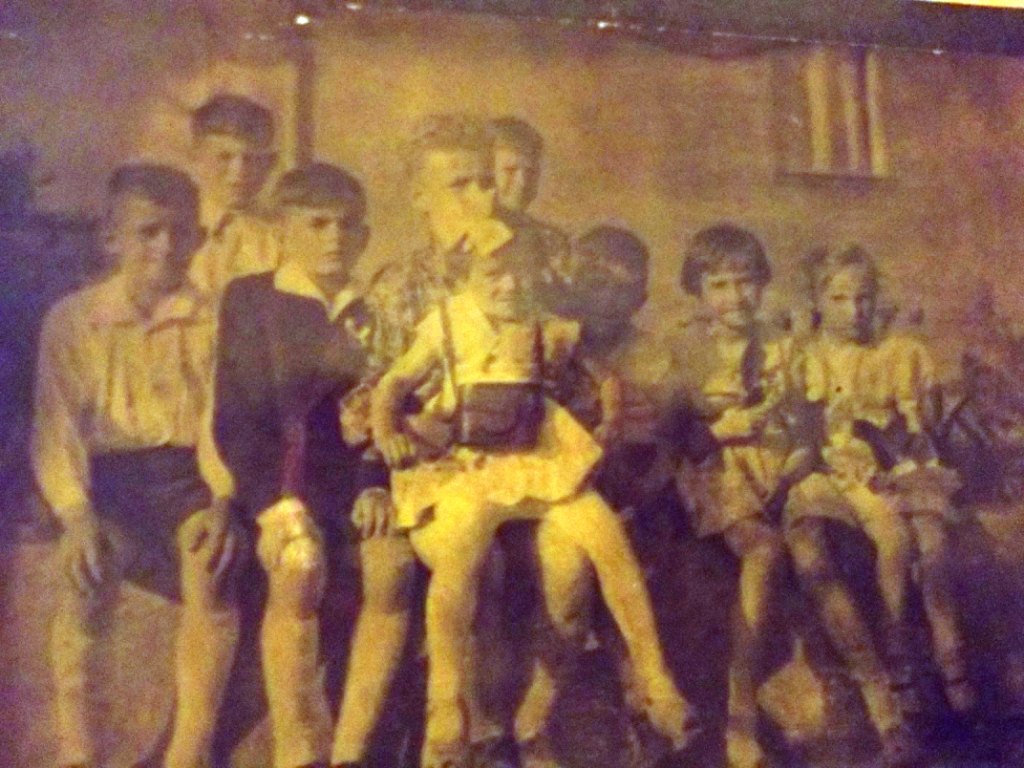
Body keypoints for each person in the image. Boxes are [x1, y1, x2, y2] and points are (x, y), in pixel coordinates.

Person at [370, 243, 695, 768]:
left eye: (519, 274)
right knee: (463, 549)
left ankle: (657, 679)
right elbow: (394, 383)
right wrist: (387, 429)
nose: (509, 287)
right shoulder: (447, 322)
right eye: (494, 275)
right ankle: (446, 701)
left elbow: (605, 379)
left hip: (541, 454)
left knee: (606, 538)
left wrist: (609, 421)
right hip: (472, 460)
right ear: (467, 276)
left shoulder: (548, 326)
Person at [32, 164, 241, 768]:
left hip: (189, 480)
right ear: (111, 238)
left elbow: (220, 422)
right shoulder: (74, 320)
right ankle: (78, 749)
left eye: (181, 232)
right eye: (148, 231)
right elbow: (57, 428)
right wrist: (76, 515)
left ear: (199, 238)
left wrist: (223, 500)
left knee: (212, 569)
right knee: (84, 578)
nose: (166, 247)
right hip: (108, 488)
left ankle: (189, 748)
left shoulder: (214, 319)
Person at [212, 164, 417, 768]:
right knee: (299, 568)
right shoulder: (252, 298)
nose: (334, 239)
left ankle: (351, 749)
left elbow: (384, 409)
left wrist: (376, 482)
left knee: (392, 567)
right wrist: (274, 504)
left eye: (348, 227)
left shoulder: (375, 309)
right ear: (283, 230)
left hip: (354, 482)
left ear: (366, 236)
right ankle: (298, 746)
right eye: (317, 224)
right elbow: (237, 417)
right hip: (281, 481)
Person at [785, 246, 974, 733]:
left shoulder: (898, 352)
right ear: (817, 300)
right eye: (840, 298)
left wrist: (912, 434)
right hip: (851, 469)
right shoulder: (812, 357)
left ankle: (950, 655)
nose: (855, 310)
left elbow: (920, 421)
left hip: (902, 462)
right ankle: (897, 652)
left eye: (864, 297)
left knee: (933, 544)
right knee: (895, 541)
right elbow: (818, 431)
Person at [671, 224, 805, 768]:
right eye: (720, 285)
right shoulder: (685, 348)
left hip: (779, 466)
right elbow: (677, 433)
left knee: (815, 540)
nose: (736, 297)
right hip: (716, 470)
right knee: (763, 550)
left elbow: (805, 421)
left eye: (746, 282)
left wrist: (792, 468)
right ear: (698, 291)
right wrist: (725, 428)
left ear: (763, 282)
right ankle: (740, 714)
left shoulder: (782, 344)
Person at [187, 94, 279, 297]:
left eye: (251, 159)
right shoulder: (172, 229)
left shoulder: (279, 238)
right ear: (196, 158)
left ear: (270, 163)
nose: (239, 171)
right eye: (224, 157)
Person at [486, 116, 570, 317]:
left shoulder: (553, 244)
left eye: (530, 172)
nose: (522, 182)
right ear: (486, 173)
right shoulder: (459, 240)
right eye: (510, 171)